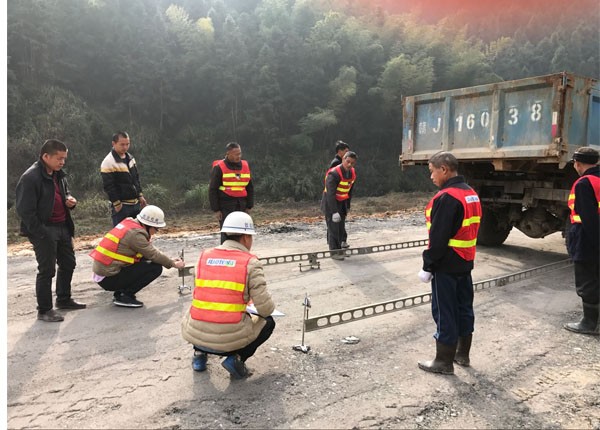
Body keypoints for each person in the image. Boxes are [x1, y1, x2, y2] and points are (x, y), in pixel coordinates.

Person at [181, 211, 276, 379]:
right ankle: (236, 359)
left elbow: (206, 294)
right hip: (228, 339)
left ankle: (199, 357)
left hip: (195, 332)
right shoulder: (250, 262)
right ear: (246, 238)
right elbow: (265, 308)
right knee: (268, 322)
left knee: (204, 309)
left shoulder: (203, 257)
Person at [417, 151, 482, 375]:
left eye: (432, 171)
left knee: (445, 311)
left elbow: (438, 239)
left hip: (446, 263)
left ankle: (443, 361)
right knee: (464, 307)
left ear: (444, 169)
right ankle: (462, 354)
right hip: (465, 262)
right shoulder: (471, 194)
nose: (431, 177)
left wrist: (428, 265)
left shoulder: (446, 198)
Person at [15, 139, 86, 322]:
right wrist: (41, 232)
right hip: (44, 229)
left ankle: (63, 299)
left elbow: (65, 193)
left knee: (68, 263)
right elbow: (24, 210)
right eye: (59, 158)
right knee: (47, 270)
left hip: (62, 225)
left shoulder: (58, 174)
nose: (62, 162)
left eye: (64, 158)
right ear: (45, 156)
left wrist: (71, 201)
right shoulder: (30, 178)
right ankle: (44, 310)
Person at [90, 205, 185, 308]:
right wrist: (172, 264)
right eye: (156, 229)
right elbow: (152, 254)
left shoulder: (130, 224)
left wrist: (170, 260)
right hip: (108, 278)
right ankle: (124, 296)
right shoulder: (135, 235)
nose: (156, 232)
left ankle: (120, 293)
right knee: (155, 268)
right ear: (148, 225)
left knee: (148, 261)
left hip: (105, 273)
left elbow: (148, 251)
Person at [564, 147, 599, 335]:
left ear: (577, 164)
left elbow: (588, 217)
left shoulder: (584, 183)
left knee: (587, 280)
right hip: (594, 236)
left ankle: (589, 323)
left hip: (587, 239)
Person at [209, 142, 254, 244]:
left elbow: (250, 187)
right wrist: (216, 209)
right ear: (228, 153)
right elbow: (213, 189)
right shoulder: (219, 167)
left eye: (240, 153)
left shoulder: (245, 166)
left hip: (241, 204)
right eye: (236, 154)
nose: (239, 156)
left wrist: (249, 206)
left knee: (242, 232)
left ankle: (240, 254)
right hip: (226, 205)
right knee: (227, 232)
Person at [101, 131, 147, 226]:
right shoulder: (108, 162)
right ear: (113, 143)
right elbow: (109, 186)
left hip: (136, 204)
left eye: (127, 144)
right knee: (121, 236)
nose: (125, 147)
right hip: (122, 206)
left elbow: (136, 179)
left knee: (136, 233)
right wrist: (117, 204)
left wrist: (140, 195)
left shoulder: (130, 158)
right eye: (122, 144)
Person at [321, 151, 357, 259]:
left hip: (342, 202)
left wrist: (347, 206)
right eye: (348, 161)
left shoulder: (352, 173)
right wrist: (334, 211)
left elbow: (349, 191)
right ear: (343, 160)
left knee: (341, 228)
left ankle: (339, 249)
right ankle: (335, 252)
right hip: (331, 203)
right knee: (333, 228)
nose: (349, 164)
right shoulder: (334, 174)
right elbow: (330, 194)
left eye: (352, 163)